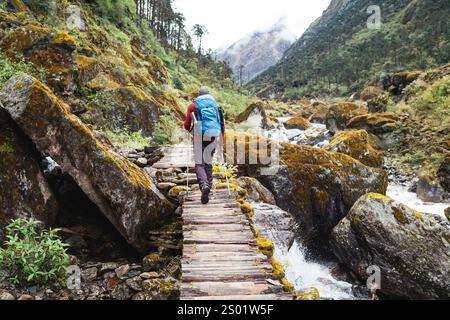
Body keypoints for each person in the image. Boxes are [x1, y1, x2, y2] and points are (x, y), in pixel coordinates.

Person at [184, 86, 225, 204]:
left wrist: (187, 129)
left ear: (198, 94)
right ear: (209, 94)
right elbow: (221, 122)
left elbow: (187, 124)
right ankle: (209, 188)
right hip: (213, 135)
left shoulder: (193, 105)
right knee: (208, 162)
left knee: (199, 163)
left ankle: (204, 185)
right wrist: (221, 135)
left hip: (198, 135)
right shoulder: (216, 105)